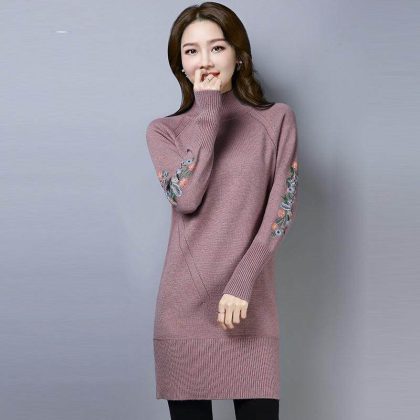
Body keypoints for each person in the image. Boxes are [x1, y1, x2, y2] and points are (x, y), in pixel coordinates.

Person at [145, 2, 299, 419]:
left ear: (239, 55)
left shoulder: (276, 120)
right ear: (180, 66)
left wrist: (243, 280)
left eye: (217, 47)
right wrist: (208, 111)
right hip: (183, 311)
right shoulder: (165, 131)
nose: (206, 61)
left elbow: (280, 211)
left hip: (247, 306)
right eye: (191, 51)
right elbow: (187, 197)